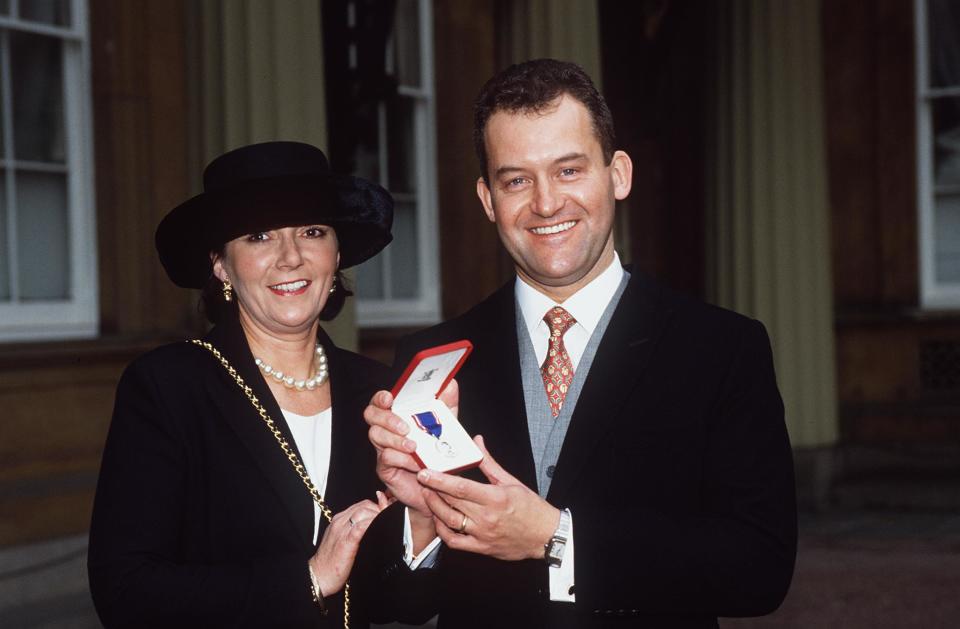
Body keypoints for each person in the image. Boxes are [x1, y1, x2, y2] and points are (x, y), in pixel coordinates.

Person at [364, 59, 798, 628]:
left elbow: (759, 570)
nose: (545, 203)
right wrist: (418, 521)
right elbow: (403, 605)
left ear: (617, 174)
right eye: (516, 180)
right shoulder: (431, 362)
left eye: (569, 170)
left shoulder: (721, 348)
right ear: (488, 199)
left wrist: (554, 536)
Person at [88, 141, 421, 628]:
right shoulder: (169, 388)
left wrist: (423, 519)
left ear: (336, 253)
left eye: (311, 231)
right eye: (259, 236)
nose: (290, 257)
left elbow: (404, 605)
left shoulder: (377, 391)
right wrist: (306, 579)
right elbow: (124, 590)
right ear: (221, 265)